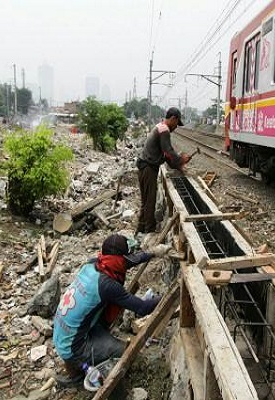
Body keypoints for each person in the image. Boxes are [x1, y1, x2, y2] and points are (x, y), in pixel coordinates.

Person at [52, 234, 169, 386]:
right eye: (125, 256)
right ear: (119, 258)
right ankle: (78, 372)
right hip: (74, 347)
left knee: (92, 318)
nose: (127, 259)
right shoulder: (107, 286)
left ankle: (75, 367)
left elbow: (126, 262)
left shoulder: (92, 264)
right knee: (125, 351)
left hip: (61, 335)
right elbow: (142, 308)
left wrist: (153, 253)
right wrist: (169, 294)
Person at [136, 107, 190, 234]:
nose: (176, 127)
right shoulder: (164, 130)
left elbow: (166, 156)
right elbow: (168, 152)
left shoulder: (159, 127)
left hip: (144, 167)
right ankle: (149, 232)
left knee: (145, 202)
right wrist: (181, 160)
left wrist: (178, 166)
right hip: (148, 169)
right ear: (173, 119)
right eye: (177, 123)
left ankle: (141, 230)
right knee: (150, 202)